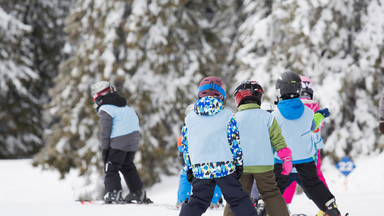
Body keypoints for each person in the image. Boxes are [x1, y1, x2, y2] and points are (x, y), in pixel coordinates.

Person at [179, 76, 257, 216]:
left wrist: (189, 168)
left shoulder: (189, 119)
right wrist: (238, 164)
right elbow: (234, 143)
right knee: (238, 199)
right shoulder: (228, 116)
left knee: (198, 200)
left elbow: (186, 147)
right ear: (221, 95)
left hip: (200, 167)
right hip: (224, 167)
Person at [272, 71, 341, 216]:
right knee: (313, 184)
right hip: (305, 158)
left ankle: (266, 209)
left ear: (280, 90)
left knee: (275, 185)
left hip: (283, 159)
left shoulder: (275, 115)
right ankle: (330, 206)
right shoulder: (309, 112)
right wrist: (320, 114)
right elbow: (314, 125)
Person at [223, 81, 291, 216]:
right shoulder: (268, 117)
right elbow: (278, 139)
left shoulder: (233, 119)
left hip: (241, 166)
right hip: (264, 165)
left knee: (236, 196)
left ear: (238, 98)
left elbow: (227, 142)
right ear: (259, 98)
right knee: (271, 194)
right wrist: (286, 157)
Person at [91, 81, 151, 204]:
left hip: (120, 140)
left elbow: (105, 131)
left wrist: (105, 149)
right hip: (134, 138)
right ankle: (137, 192)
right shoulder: (124, 106)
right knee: (127, 165)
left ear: (99, 95)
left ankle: (114, 193)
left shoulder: (105, 108)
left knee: (111, 166)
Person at [282, 76, 330, 215]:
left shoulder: (290, 105)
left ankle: (283, 207)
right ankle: (326, 207)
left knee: (287, 179)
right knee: (317, 181)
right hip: (312, 153)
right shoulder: (315, 107)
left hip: (290, 151)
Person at [176, 104, 223, 208]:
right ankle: (215, 200)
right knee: (215, 173)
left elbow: (181, 147)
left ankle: (183, 200)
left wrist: (184, 160)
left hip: (196, 162)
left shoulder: (186, 130)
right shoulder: (208, 127)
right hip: (207, 161)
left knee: (185, 175)